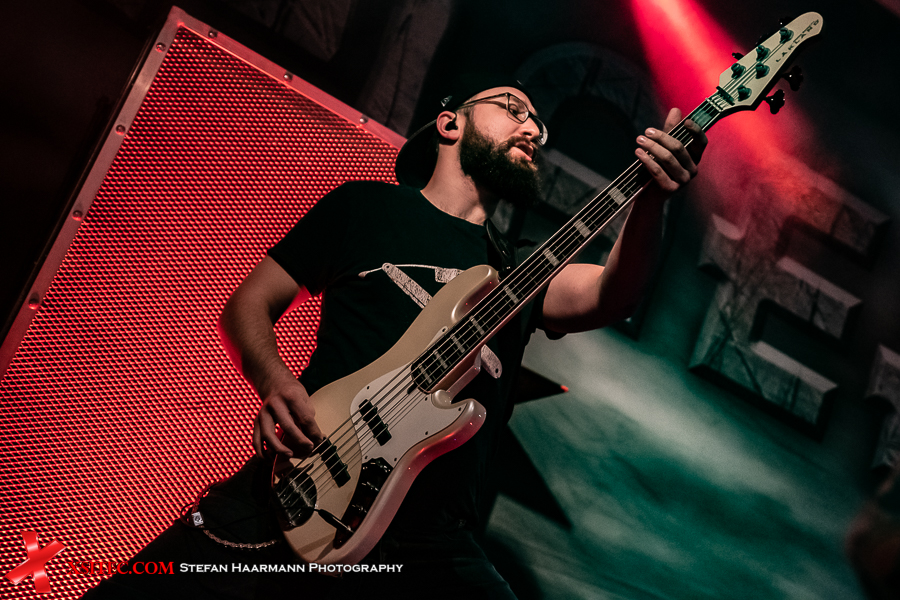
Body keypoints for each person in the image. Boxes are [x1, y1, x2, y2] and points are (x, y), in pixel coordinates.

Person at [82, 77, 706, 599]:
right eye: (513, 109)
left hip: (428, 540)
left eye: (539, 125)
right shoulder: (366, 209)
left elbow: (612, 294)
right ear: (450, 124)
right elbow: (250, 302)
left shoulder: (516, 274)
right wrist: (274, 381)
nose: (532, 130)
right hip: (303, 481)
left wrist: (651, 200)